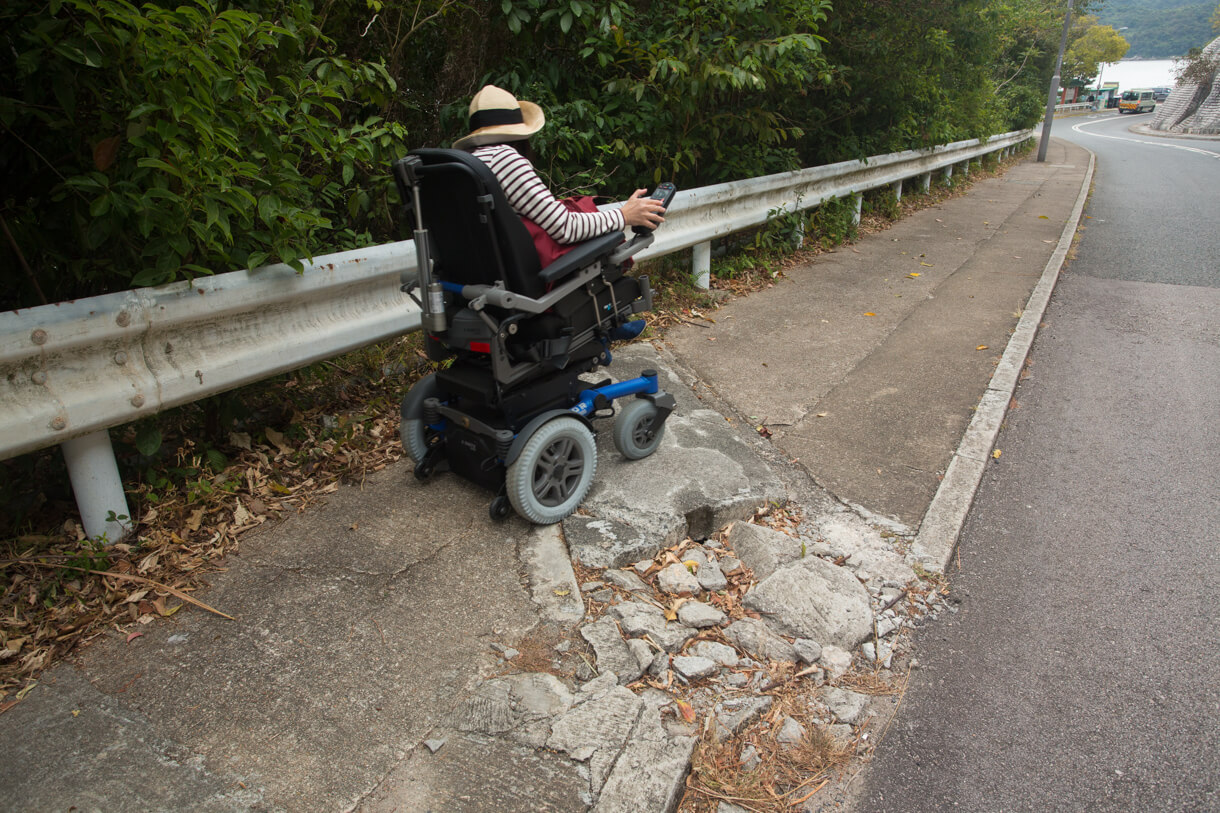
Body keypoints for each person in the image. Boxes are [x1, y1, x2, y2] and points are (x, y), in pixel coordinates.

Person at [452, 85, 666, 246]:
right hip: (520, 282)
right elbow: (565, 228)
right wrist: (624, 215)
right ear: (519, 134)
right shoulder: (504, 158)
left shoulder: (462, 165)